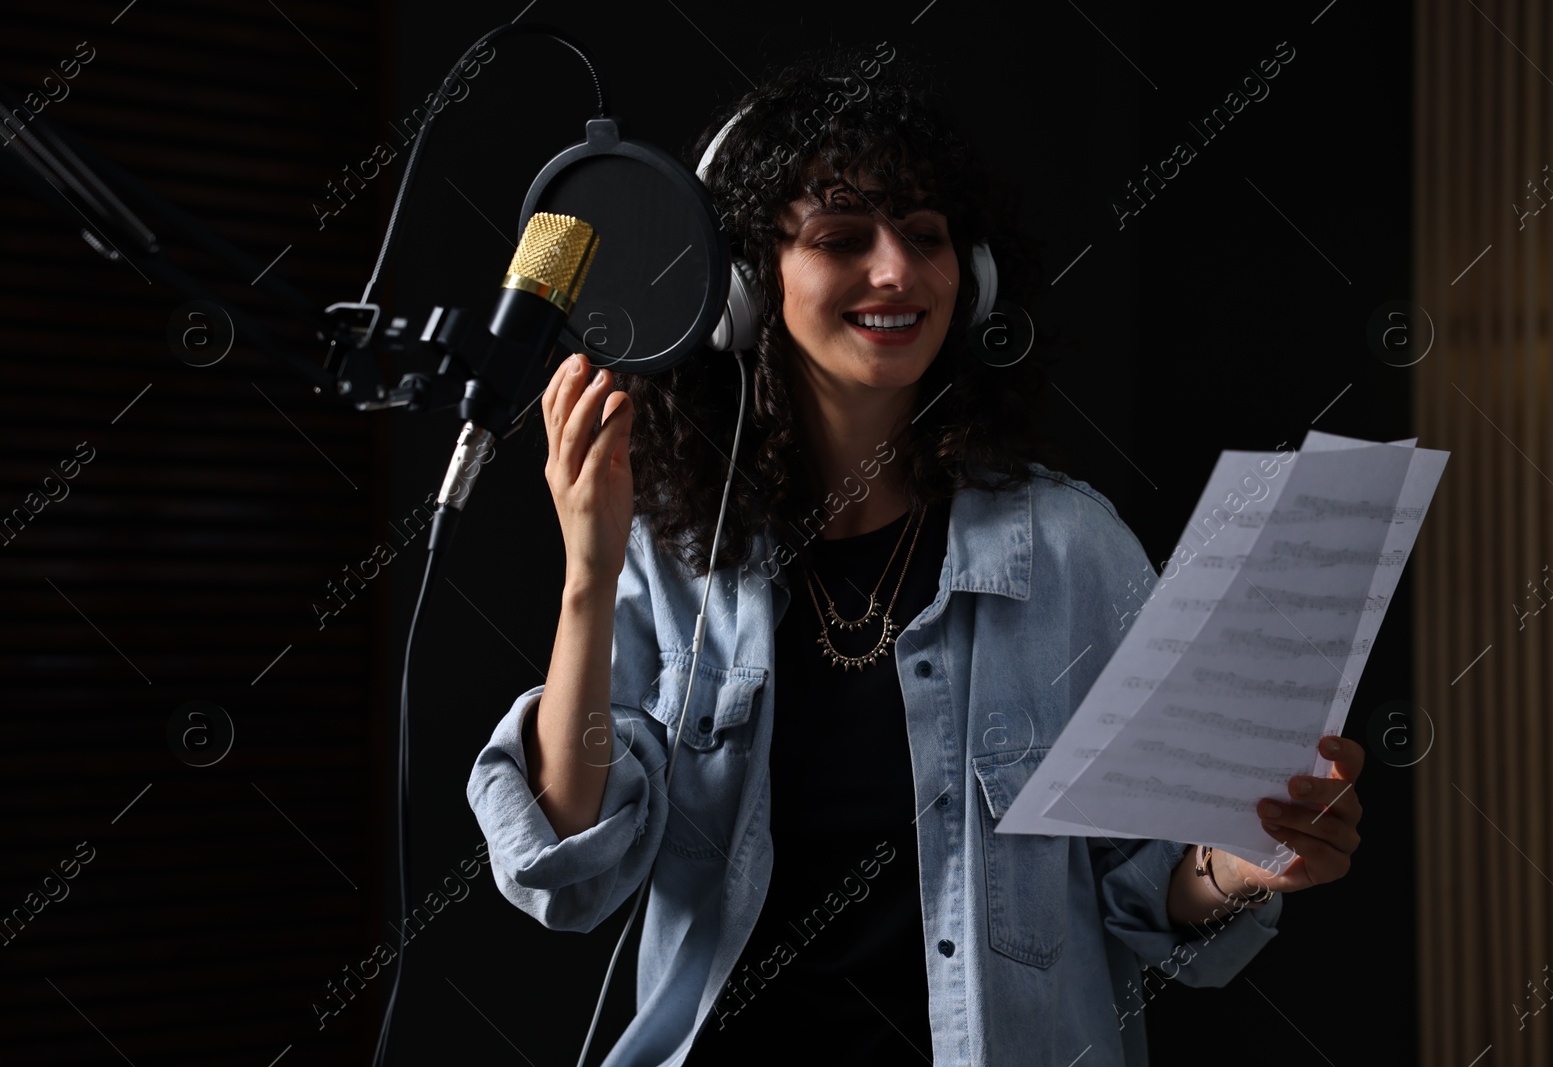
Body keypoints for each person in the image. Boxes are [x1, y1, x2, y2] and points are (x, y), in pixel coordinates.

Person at [466, 43, 1365, 1066]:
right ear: (747, 287)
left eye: (926, 236)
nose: (894, 271)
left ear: (969, 275)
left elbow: (1148, 885)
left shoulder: (1070, 547)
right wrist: (588, 570)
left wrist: (1240, 866)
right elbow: (565, 871)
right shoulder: (674, 556)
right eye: (843, 237)